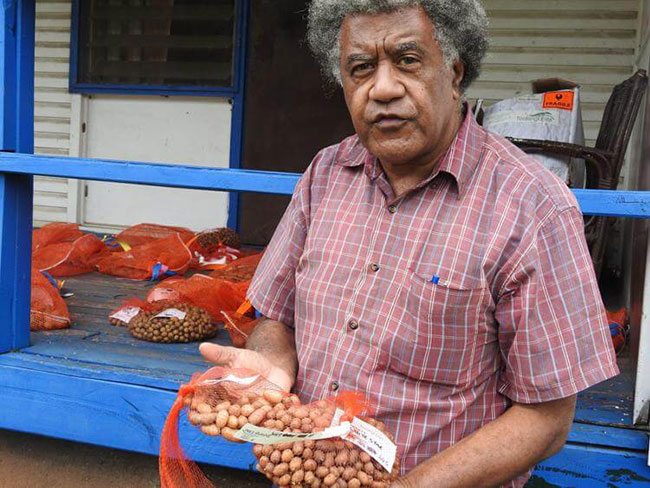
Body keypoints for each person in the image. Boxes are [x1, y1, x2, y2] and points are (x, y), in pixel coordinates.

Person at [200, 1, 619, 486]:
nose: (382, 88)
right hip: (310, 471)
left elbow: (546, 420)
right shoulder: (325, 175)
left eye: (408, 60)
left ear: (456, 70)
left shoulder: (532, 208)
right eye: (360, 68)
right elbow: (278, 316)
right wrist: (273, 367)